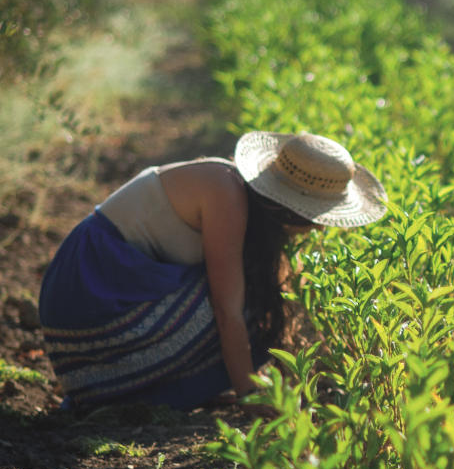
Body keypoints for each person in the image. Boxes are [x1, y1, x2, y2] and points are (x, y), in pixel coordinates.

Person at [38, 131, 388, 411]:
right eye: (318, 216)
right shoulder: (226, 193)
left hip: (111, 294)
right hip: (90, 304)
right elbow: (227, 310)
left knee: (269, 285)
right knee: (253, 297)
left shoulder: (235, 189)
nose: (320, 227)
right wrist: (251, 398)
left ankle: (173, 386)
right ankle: (127, 388)